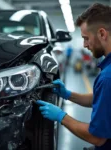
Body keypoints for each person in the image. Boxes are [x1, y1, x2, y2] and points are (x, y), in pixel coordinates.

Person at [36, 3, 111, 150]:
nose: (84, 44)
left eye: (86, 38)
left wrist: (62, 117)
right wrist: (68, 95)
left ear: (102, 34)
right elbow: (101, 98)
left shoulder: (107, 78)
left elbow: (97, 138)